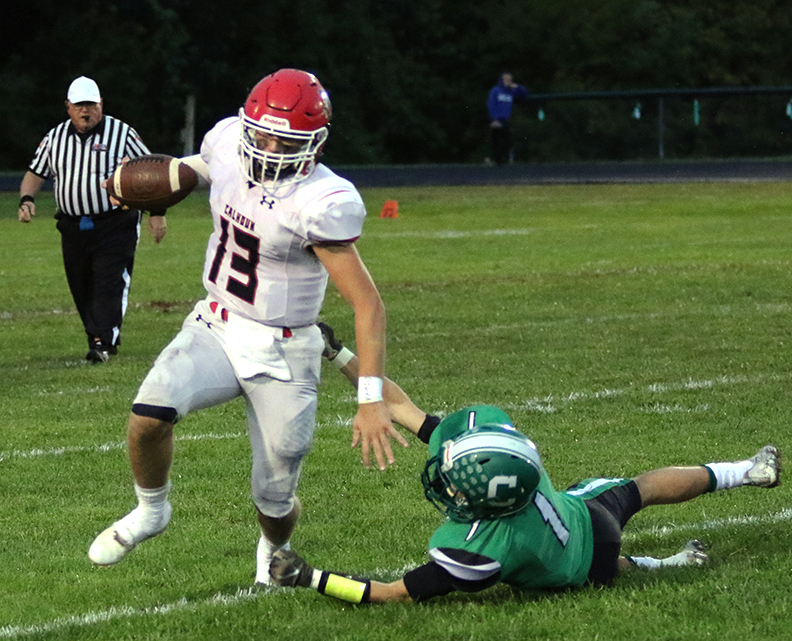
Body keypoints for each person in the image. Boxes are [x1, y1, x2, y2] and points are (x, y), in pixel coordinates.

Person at [88, 69, 407, 584]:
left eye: (287, 140)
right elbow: (195, 167)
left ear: (315, 144)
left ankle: (274, 548)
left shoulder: (323, 201)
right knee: (149, 413)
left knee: (274, 494)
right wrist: (149, 185)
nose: (271, 147)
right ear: (247, 124)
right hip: (216, 323)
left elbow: (368, 304)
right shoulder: (229, 141)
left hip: (286, 351)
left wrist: (369, 398)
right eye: (263, 134)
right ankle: (152, 510)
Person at [270, 329, 781, 603]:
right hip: (587, 515)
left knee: (601, 571)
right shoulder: (515, 470)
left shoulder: (481, 547)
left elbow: (391, 593)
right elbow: (400, 409)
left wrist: (310, 577)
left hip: (583, 570)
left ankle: (664, 564)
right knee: (641, 488)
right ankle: (745, 470)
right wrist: (338, 354)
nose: (448, 483)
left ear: (479, 500)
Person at [18, 76, 167, 364]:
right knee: (81, 283)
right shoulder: (54, 138)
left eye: (91, 105)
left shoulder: (121, 133)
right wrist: (27, 199)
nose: (85, 111)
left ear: (101, 104)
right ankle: (97, 336)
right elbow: (36, 172)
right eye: (79, 105)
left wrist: (157, 213)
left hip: (115, 223)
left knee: (108, 281)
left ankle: (103, 341)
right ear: (68, 107)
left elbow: (151, 171)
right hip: (73, 225)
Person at [486, 72, 529, 166]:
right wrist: (494, 119)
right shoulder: (496, 90)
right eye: (506, 79)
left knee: (507, 140)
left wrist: (517, 86)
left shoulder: (511, 91)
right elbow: (491, 104)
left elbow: (524, 93)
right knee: (497, 140)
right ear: (502, 80)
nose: (508, 82)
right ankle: (496, 160)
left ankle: (497, 159)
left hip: (506, 119)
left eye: (510, 80)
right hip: (497, 119)